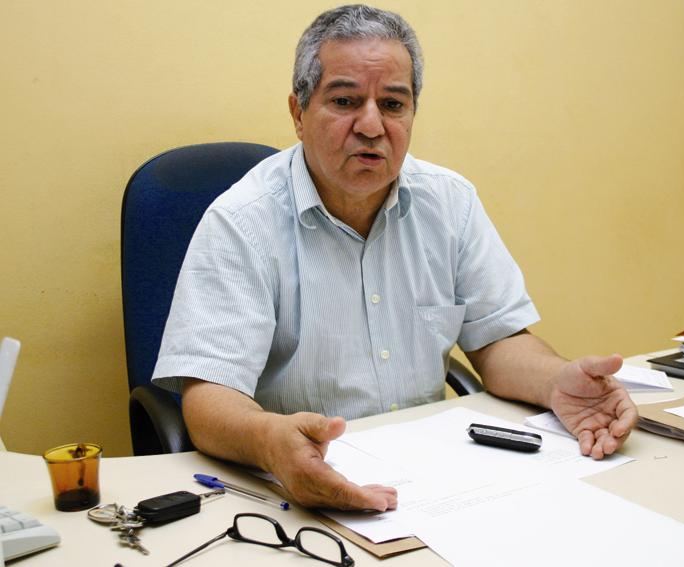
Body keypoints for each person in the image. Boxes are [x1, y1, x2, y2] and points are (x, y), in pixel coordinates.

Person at [153, 4, 638, 512]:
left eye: (392, 104)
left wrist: (558, 382)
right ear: (298, 113)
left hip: (435, 480)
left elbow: (498, 341)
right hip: (296, 488)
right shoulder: (241, 221)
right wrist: (270, 442)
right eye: (345, 101)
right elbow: (208, 400)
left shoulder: (449, 202)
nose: (371, 125)